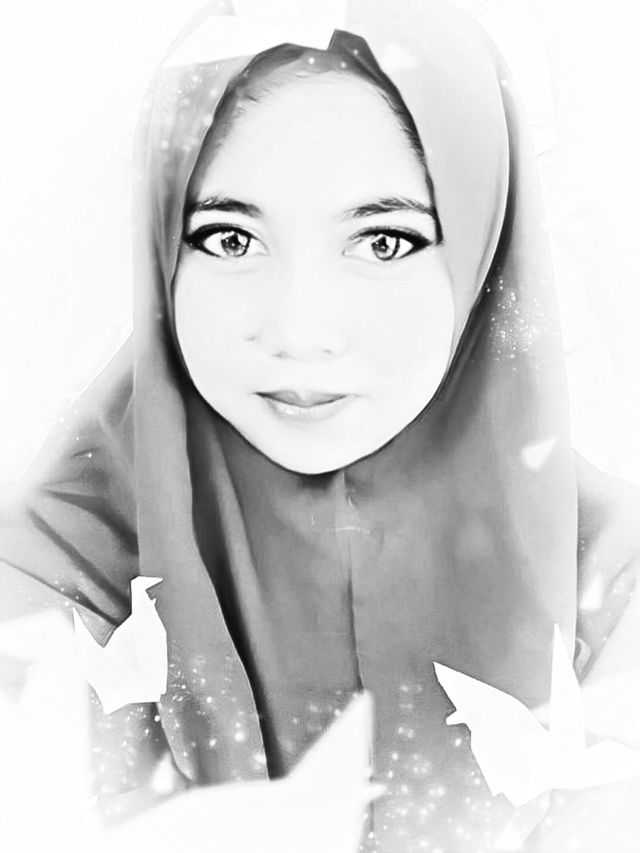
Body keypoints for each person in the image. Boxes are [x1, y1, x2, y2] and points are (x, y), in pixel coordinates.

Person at [2, 1, 640, 851]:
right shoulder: (42, 586)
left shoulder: (613, 588)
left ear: (486, 252)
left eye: (383, 242)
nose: (301, 331)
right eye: (229, 239)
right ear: (161, 252)